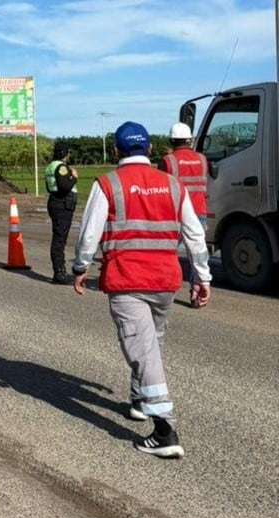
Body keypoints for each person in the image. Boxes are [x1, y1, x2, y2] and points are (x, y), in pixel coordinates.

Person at [72, 121, 212, 459]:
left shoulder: (108, 184)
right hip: (165, 281)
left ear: (118, 151)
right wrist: (202, 277)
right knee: (150, 344)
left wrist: (80, 267)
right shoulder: (172, 185)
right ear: (149, 149)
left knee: (142, 349)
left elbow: (89, 233)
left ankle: (164, 430)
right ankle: (139, 401)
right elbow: (194, 234)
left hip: (127, 280)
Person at [159, 122, 208, 227]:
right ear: (189, 140)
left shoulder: (167, 160)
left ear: (171, 141)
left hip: (176, 214)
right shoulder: (202, 159)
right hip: (199, 212)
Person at [44, 140, 79, 284]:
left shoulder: (50, 167)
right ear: (65, 153)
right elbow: (65, 186)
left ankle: (59, 270)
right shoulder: (61, 167)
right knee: (59, 239)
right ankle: (59, 272)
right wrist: (74, 176)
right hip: (62, 205)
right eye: (68, 152)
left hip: (54, 202)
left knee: (59, 237)